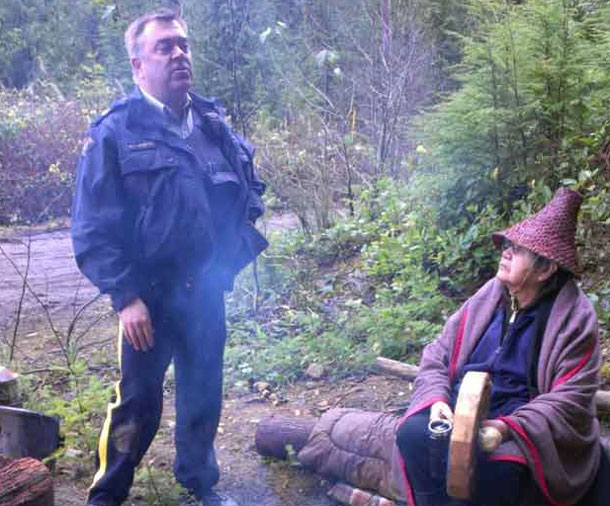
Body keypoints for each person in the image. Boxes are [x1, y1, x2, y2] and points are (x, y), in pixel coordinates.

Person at [71, 8, 267, 506]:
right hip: (148, 300)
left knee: (202, 395)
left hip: (204, 293)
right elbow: (92, 227)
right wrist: (125, 296)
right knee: (137, 405)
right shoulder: (115, 132)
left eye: (183, 44)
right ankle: (107, 495)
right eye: (165, 47)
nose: (179, 54)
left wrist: (230, 257)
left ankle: (200, 485)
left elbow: (247, 188)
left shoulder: (211, 121)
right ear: (138, 65)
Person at [394, 188, 608, 506]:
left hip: (521, 423)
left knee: (499, 469)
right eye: (508, 245)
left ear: (545, 269)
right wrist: (437, 399)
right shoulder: (490, 295)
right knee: (412, 434)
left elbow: (570, 399)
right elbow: (438, 352)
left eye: (518, 250)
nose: (505, 252)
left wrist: (506, 428)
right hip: (460, 410)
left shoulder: (573, 319)